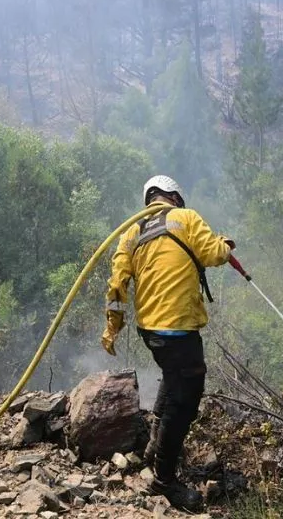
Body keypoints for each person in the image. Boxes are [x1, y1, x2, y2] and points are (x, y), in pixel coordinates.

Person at [102, 175, 234, 511]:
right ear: (175, 196)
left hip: (151, 331)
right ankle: (163, 479)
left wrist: (112, 328)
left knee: (174, 378)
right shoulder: (186, 217)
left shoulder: (131, 233)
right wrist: (226, 245)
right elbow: (212, 253)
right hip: (178, 327)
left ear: (149, 199)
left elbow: (117, 286)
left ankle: (152, 449)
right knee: (186, 397)